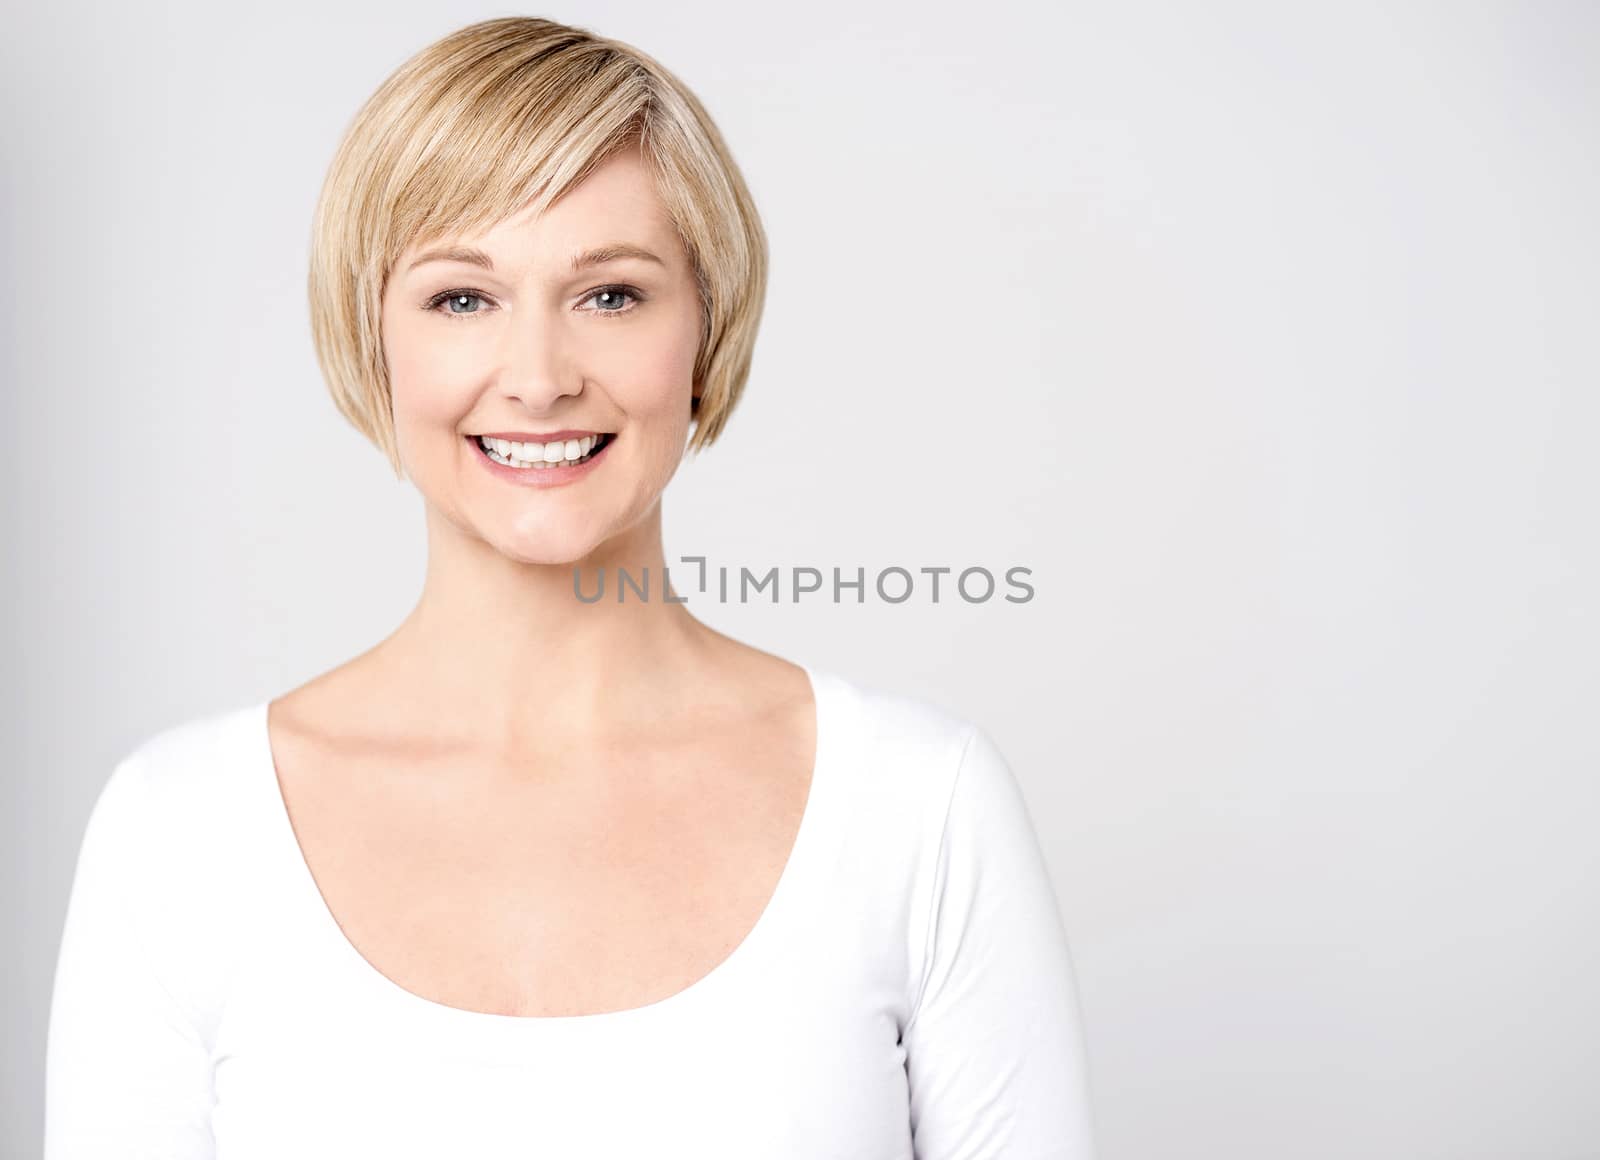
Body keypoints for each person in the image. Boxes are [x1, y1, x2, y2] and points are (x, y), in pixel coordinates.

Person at [43, 15, 1096, 1158]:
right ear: (372, 336)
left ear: (705, 330)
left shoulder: (919, 807)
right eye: (461, 298)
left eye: (610, 295)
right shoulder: (181, 829)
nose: (539, 378)